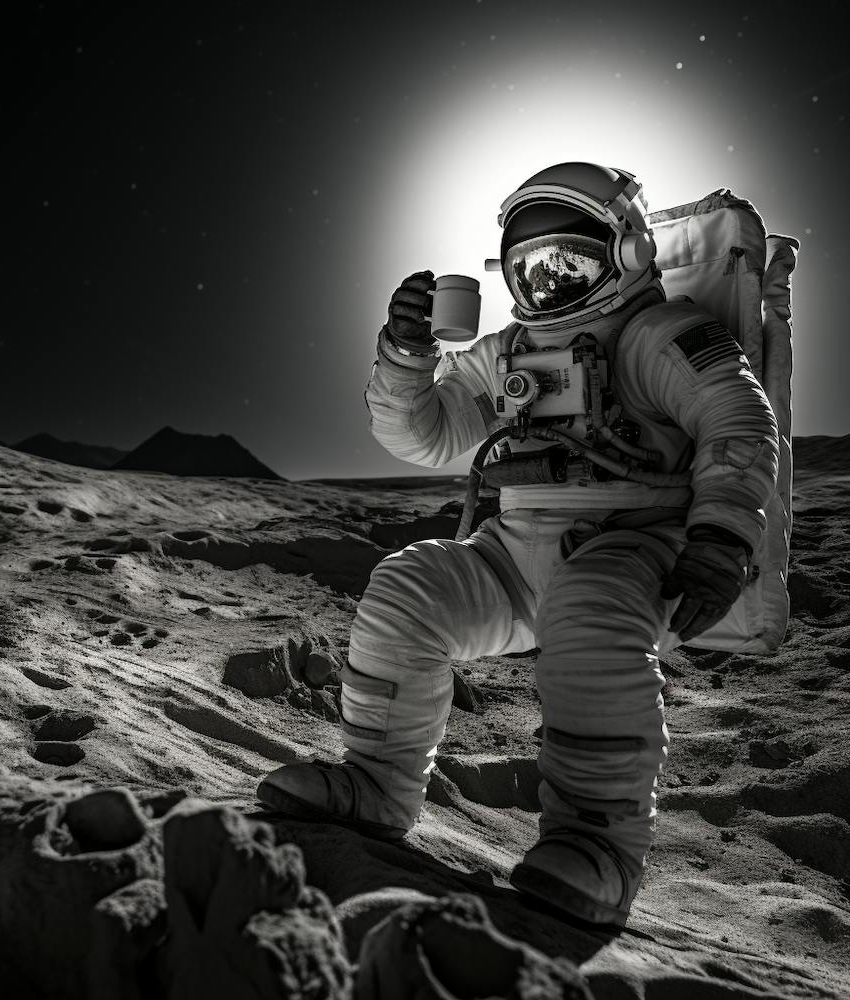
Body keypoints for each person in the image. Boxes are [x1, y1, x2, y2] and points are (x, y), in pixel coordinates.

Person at [257, 162, 779, 927]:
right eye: (531, 269)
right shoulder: (507, 354)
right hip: (514, 552)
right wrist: (406, 360)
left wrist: (723, 537)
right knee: (410, 586)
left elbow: (737, 423)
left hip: (633, 549)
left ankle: (595, 844)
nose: (548, 284)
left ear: (628, 254)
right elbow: (427, 434)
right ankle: (376, 785)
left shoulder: (660, 338)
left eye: (569, 261)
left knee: (593, 611)